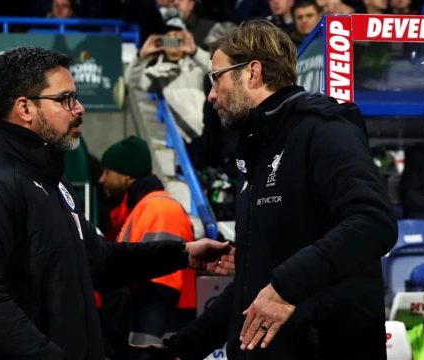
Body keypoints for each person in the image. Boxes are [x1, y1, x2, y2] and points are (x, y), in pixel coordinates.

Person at [0, 46, 234, 360]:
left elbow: (98, 261)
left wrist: (182, 254)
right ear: (24, 108)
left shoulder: (53, 183)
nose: (80, 109)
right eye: (66, 99)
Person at [134, 19, 397, 359]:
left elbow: (374, 223)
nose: (211, 94)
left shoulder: (326, 130)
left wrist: (286, 287)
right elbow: (254, 289)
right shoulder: (259, 149)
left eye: (217, 78)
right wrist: (181, 349)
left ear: (252, 72)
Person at [97, 136, 209, 359]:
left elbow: (159, 292)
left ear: (127, 174)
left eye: (107, 171)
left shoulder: (160, 210)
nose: (101, 179)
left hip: (157, 343)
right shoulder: (142, 210)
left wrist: (142, 351)